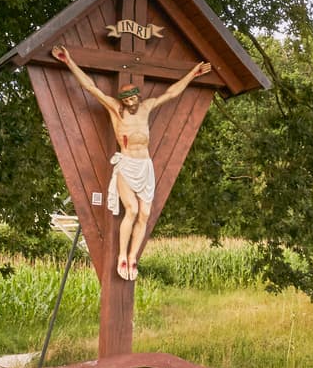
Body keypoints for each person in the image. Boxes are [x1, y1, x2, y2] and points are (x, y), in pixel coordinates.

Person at [50, 46, 213, 279]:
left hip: (145, 166)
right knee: (132, 209)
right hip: (126, 165)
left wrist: (193, 74)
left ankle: (133, 257)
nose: (130, 101)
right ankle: (122, 257)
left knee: (145, 214)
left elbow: (171, 93)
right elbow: (90, 87)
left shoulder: (146, 108)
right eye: (126, 99)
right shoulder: (116, 110)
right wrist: (68, 61)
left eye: (133, 97)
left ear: (139, 96)